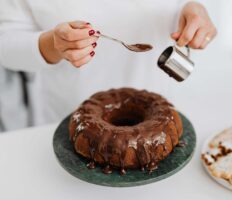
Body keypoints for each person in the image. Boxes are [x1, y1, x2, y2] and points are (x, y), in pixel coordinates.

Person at [0, 0, 217, 126]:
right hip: (69, 113)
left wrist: (195, 7)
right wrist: (53, 45)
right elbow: (6, 40)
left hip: (160, 108)